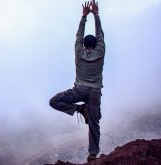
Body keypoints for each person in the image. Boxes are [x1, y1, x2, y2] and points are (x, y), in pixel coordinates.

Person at [49, 0, 105, 163]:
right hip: (95, 93)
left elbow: (78, 35)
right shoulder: (100, 51)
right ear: (95, 44)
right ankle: (93, 154)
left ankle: (79, 109)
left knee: (54, 101)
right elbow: (100, 34)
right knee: (94, 123)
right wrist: (96, 14)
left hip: (79, 90)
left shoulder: (78, 51)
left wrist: (83, 17)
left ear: (83, 45)